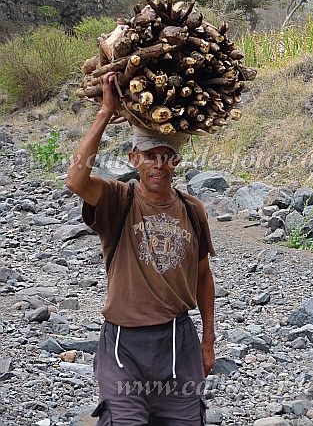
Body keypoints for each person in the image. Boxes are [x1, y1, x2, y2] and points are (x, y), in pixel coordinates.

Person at [66, 72, 216, 425]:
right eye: (150, 156)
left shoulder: (193, 209)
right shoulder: (119, 199)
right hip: (123, 345)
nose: (158, 165)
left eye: (167, 157)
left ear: (176, 163)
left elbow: (203, 276)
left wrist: (208, 339)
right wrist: (105, 112)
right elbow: (75, 179)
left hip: (178, 342)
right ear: (134, 158)